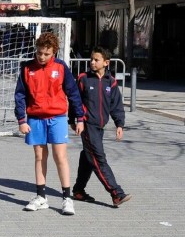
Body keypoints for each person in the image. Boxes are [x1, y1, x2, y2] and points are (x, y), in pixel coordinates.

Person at [14, 32, 84, 215]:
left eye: (46, 54)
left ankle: (67, 198)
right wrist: (21, 119)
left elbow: (73, 93)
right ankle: (41, 197)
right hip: (35, 118)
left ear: (54, 52)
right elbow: (20, 95)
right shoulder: (27, 68)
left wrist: (80, 118)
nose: (42, 57)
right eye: (39, 53)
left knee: (60, 156)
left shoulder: (61, 68)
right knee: (39, 156)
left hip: (57, 117)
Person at [70, 46, 132, 207]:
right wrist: (74, 120)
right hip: (87, 125)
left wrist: (120, 124)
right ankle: (116, 193)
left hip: (100, 126)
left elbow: (116, 105)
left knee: (88, 157)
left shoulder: (110, 82)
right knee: (98, 158)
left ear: (106, 62)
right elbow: (74, 101)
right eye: (91, 59)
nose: (92, 62)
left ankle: (78, 191)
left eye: (96, 60)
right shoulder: (83, 78)